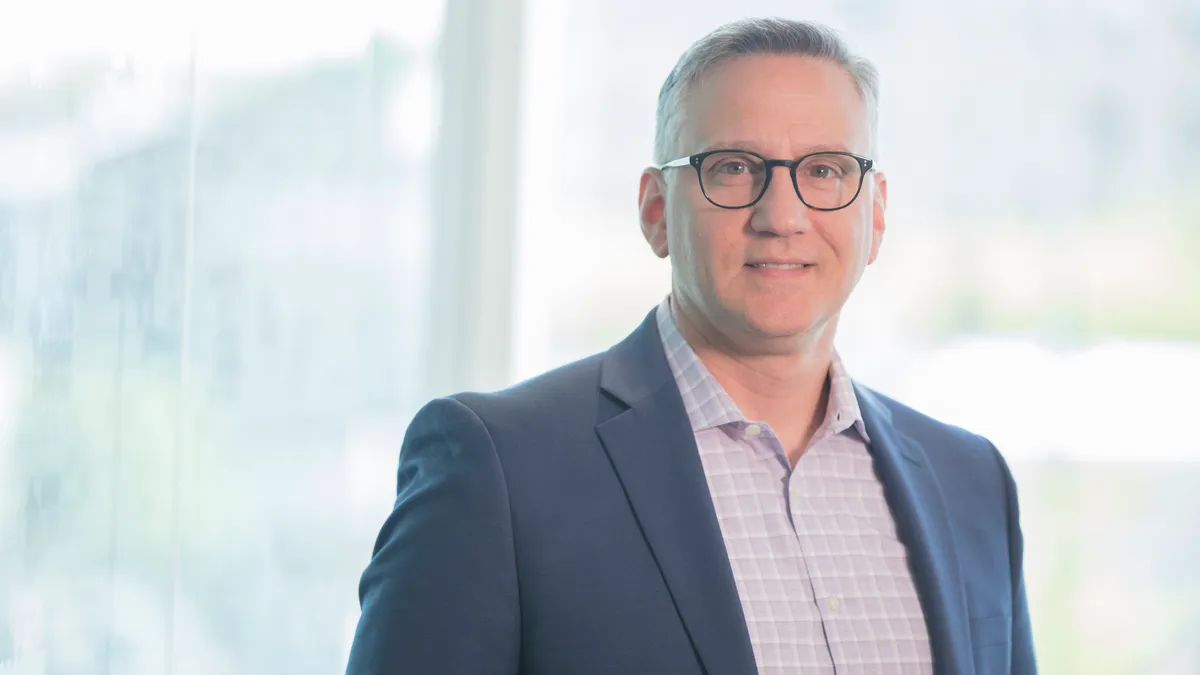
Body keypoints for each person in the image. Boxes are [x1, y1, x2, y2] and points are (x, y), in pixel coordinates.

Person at [346, 17, 1036, 675]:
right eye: (733, 168)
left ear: (875, 214)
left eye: (825, 170)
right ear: (655, 211)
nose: (783, 216)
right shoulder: (498, 470)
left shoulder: (971, 483)